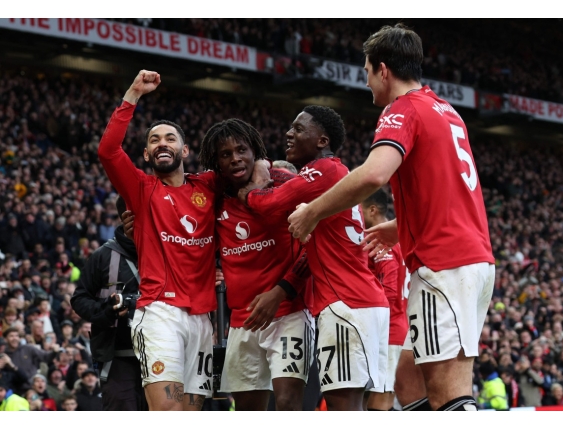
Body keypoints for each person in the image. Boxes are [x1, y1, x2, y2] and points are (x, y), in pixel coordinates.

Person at [287, 24, 495, 411]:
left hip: (444, 264)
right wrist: (401, 228)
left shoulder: (401, 110)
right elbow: (452, 193)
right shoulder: (446, 110)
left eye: (366, 72)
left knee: (448, 389)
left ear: (383, 69)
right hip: (470, 258)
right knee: (407, 374)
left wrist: (312, 212)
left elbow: (373, 174)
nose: (366, 82)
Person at [97, 70, 268, 411]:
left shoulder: (208, 185)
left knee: (190, 414)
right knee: (167, 412)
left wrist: (264, 168)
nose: (163, 143)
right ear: (146, 155)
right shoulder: (142, 189)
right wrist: (133, 93)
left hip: (202, 319)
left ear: (185, 150)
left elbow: (248, 166)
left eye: (170, 138)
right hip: (159, 312)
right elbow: (108, 151)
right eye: (155, 140)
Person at [237, 105, 390, 411]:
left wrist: (251, 188)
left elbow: (270, 204)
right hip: (357, 301)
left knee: (343, 406)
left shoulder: (325, 170)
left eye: (298, 129)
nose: (289, 134)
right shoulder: (334, 176)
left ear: (322, 141)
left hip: (347, 303)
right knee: (348, 404)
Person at [197, 119, 313, 410]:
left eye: (241, 150)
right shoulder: (215, 198)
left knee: (288, 403)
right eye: (225, 154)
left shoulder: (284, 183)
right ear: (217, 163)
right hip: (242, 320)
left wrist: (280, 292)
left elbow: (316, 248)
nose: (235, 158)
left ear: (255, 153)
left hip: (290, 312)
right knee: (249, 412)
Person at [71, 195, 147, 411]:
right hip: (117, 357)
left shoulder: (167, 251)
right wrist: (107, 311)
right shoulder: (102, 256)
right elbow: (79, 298)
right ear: (126, 217)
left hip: (160, 353)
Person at [360, 189, 409, 411]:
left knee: (379, 403)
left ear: (372, 210)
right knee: (378, 400)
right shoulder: (399, 239)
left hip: (388, 332)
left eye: (358, 209)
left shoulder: (383, 243)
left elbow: (388, 291)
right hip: (397, 329)